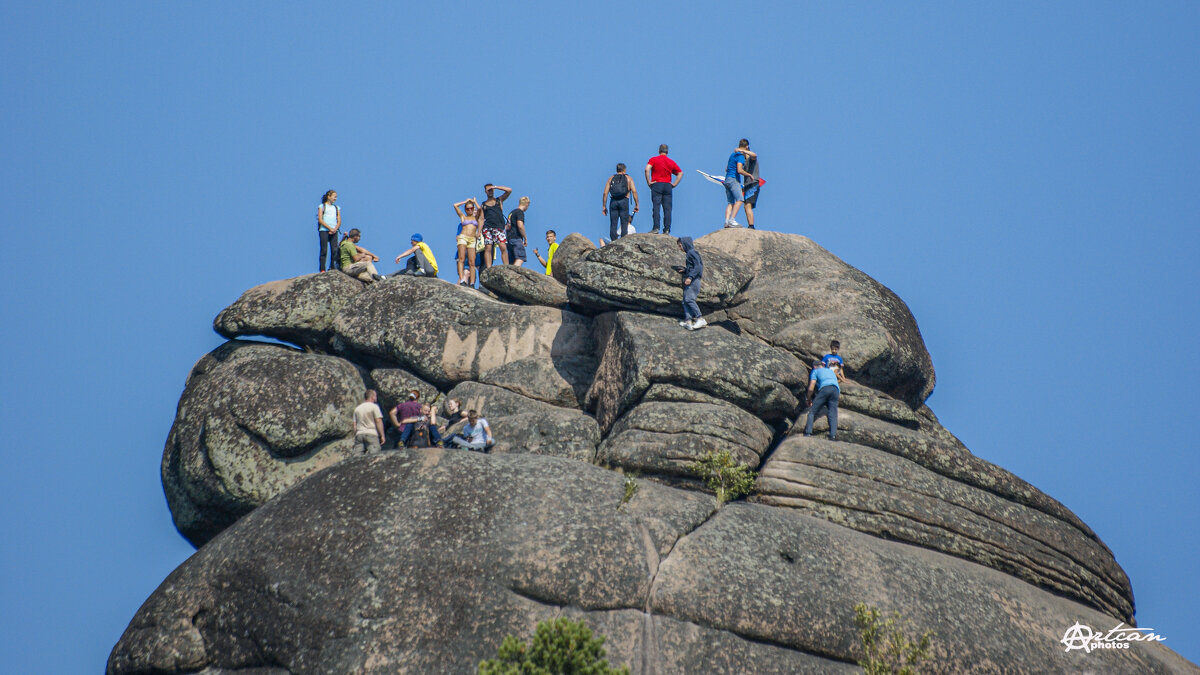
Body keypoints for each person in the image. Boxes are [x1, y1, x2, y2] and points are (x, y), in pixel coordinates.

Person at [644, 145, 682, 234]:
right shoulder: (671, 162)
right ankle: (667, 229)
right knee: (667, 209)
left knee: (656, 207)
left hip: (657, 184)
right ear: (667, 152)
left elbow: (647, 169)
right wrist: (675, 184)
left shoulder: (653, 159)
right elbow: (680, 173)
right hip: (668, 186)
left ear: (659, 151)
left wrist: (649, 181)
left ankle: (656, 228)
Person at [673, 237, 706, 330]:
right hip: (692, 279)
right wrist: (686, 270)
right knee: (685, 301)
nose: (680, 248)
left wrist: (690, 277)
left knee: (689, 299)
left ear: (685, 244)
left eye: (680, 246)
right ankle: (688, 321)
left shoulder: (692, 252)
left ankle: (700, 318)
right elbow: (693, 267)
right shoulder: (689, 254)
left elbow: (698, 266)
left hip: (694, 281)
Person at [723, 139, 757, 228]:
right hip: (734, 179)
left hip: (727, 179)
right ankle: (732, 220)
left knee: (730, 203)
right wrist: (749, 174)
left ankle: (726, 222)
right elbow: (739, 170)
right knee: (740, 199)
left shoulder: (732, 155)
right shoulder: (740, 156)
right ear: (747, 146)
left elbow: (726, 168)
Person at [804, 360, 841, 441]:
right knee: (833, 414)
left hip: (825, 389)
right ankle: (833, 436)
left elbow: (811, 386)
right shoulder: (830, 371)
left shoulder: (815, 371)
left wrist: (808, 398)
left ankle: (808, 433)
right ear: (822, 365)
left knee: (812, 412)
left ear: (814, 366)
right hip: (836, 390)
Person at [602, 164, 639, 242]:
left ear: (617, 170)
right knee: (624, 223)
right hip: (624, 201)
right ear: (624, 170)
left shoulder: (611, 178)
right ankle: (623, 241)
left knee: (613, 223)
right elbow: (634, 191)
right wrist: (637, 204)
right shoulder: (628, 179)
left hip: (613, 201)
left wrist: (604, 206)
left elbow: (605, 193)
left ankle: (613, 241)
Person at [480, 183, 513, 268]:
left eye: (491, 190)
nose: (490, 191)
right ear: (485, 192)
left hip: (498, 227)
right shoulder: (483, 204)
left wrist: (495, 187)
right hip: (487, 227)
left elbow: (509, 190)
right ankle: (489, 268)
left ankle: (506, 267)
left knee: (502, 246)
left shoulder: (499, 200)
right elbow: (481, 218)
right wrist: (478, 231)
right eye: (488, 190)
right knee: (488, 248)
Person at [453, 198, 482, 286]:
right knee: (461, 259)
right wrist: (465, 202)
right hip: (463, 237)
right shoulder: (463, 217)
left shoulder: (476, 217)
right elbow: (455, 205)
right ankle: (462, 280)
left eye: (471, 208)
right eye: (467, 208)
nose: (470, 210)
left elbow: (480, 209)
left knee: (472, 262)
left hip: (472, 239)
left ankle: (472, 283)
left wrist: (474, 202)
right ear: (465, 209)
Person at [351, 390, 386, 455]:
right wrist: (382, 435)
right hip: (371, 433)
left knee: (357, 457)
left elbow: (354, 425)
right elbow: (378, 421)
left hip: (359, 434)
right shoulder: (374, 407)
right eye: (375, 396)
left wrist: (356, 434)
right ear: (372, 397)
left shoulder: (357, 408)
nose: (376, 398)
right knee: (374, 455)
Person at [317, 190, 341, 272]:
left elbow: (339, 220)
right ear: (328, 196)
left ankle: (332, 266)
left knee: (334, 249)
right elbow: (320, 219)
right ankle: (322, 269)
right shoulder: (322, 206)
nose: (335, 198)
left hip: (334, 231)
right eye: (334, 196)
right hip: (324, 230)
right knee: (324, 249)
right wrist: (329, 228)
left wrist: (335, 228)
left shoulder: (336, 207)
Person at [506, 197, 531, 267]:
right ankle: (512, 275)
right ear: (526, 204)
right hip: (516, 238)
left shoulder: (511, 213)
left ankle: (509, 273)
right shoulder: (519, 212)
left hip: (509, 239)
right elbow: (520, 225)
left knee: (512, 260)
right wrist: (525, 238)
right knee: (520, 257)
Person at [742, 150, 761, 230]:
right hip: (747, 185)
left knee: (748, 204)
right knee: (746, 205)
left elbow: (754, 155)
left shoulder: (751, 159)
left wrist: (744, 150)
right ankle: (750, 224)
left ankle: (751, 225)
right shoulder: (745, 162)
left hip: (753, 184)